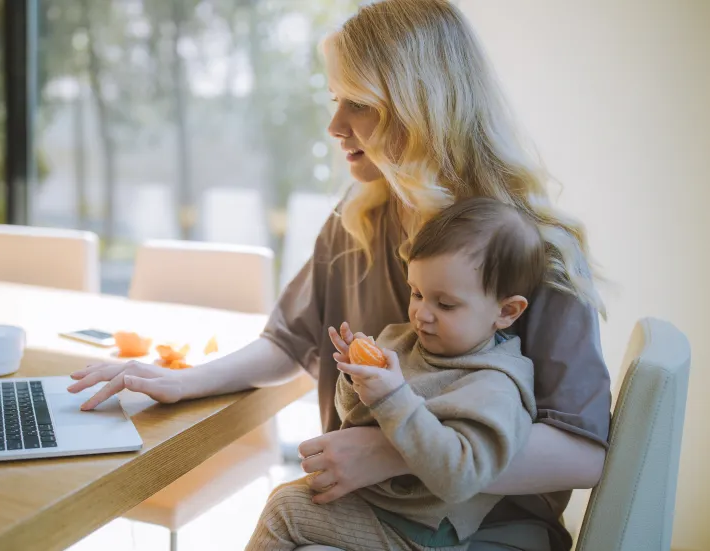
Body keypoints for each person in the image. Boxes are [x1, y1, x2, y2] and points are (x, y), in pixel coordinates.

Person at [67, 1, 611, 549]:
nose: (334, 126)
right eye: (335, 100)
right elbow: (290, 341)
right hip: (368, 511)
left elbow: (582, 451)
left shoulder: (531, 247)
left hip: (485, 531)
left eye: (360, 104)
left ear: (422, 107)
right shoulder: (359, 217)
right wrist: (186, 380)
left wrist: (392, 452)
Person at [246, 197, 545, 551]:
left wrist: (392, 396)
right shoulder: (403, 340)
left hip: (419, 532)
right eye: (416, 293)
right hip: (377, 505)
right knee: (288, 495)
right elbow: (357, 420)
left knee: (285, 510)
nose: (422, 314)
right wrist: (356, 380)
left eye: (445, 304)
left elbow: (460, 477)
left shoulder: (494, 384)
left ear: (507, 311)